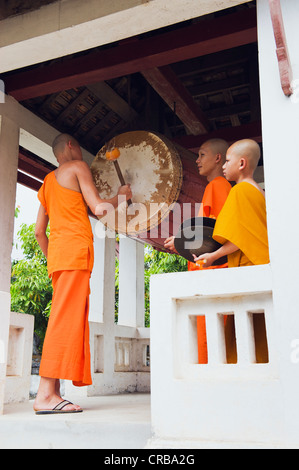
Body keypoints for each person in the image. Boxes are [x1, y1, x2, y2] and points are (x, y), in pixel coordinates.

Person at [33, 134, 132, 414]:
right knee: (64, 321)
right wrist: (121, 198)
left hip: (60, 258)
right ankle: (44, 395)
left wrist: (54, 256)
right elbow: (98, 207)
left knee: (63, 318)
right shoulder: (78, 168)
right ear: (70, 146)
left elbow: (40, 231)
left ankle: (51, 393)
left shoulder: (48, 183)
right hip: (75, 254)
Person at [193, 139, 270, 364]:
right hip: (261, 267)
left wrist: (213, 255)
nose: (224, 166)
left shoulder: (239, 192)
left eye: (228, 161)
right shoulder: (259, 192)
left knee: (244, 335)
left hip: (247, 270)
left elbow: (239, 238)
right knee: (261, 331)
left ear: (242, 163)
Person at [164, 138, 231, 364]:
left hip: (212, 269)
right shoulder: (218, 187)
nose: (197, 160)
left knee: (208, 330)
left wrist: (181, 240)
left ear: (218, 158)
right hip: (214, 268)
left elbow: (213, 233)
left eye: (202, 155)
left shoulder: (217, 185)